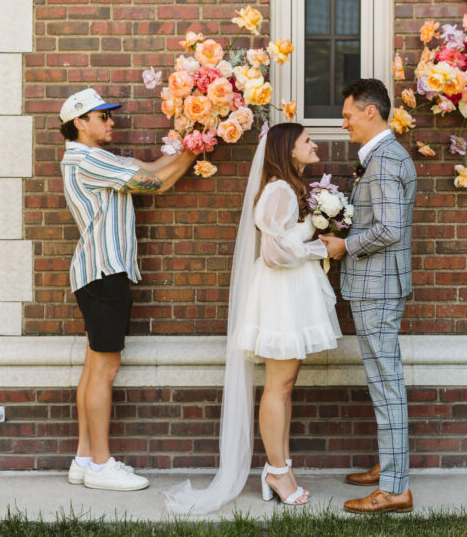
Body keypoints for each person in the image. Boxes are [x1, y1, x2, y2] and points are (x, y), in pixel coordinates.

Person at [165, 123, 340, 513]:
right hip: (280, 294)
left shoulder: (288, 188)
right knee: (279, 384)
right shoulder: (279, 191)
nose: (314, 145)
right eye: (306, 140)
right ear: (287, 149)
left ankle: (280, 466)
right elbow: (276, 253)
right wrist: (319, 248)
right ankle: (276, 471)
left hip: (290, 292)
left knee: (286, 382)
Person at [59, 87, 196, 492]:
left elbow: (149, 165)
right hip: (104, 273)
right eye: (103, 117)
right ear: (79, 123)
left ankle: (84, 458)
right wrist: (197, 148)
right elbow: (155, 183)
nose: (111, 121)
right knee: (105, 370)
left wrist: (195, 138)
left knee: (93, 367)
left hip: (96, 273)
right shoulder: (89, 159)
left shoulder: (90, 157)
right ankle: (101, 465)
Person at [320, 78, 417, 514]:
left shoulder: (383, 161)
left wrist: (344, 245)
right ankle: (389, 467)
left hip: (377, 288)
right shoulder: (382, 158)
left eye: (347, 115)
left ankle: (395, 489)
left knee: (386, 385)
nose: (343, 123)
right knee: (384, 382)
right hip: (378, 286)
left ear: (370, 112)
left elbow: (390, 229)